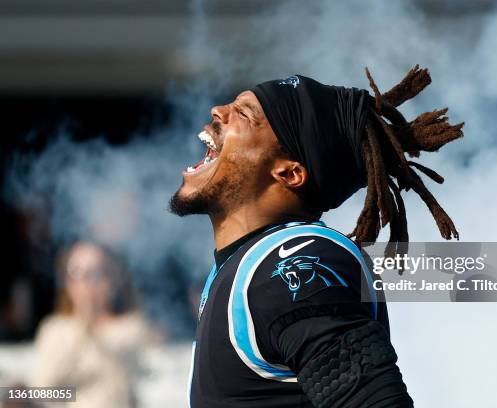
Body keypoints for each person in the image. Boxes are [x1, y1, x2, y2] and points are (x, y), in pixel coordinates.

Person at [169, 66, 463, 407]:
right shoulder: (244, 269)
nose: (218, 112)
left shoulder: (292, 264)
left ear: (289, 173)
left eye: (245, 114)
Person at [30, 241, 157, 408]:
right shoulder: (55, 330)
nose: (86, 283)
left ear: (112, 280)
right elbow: (40, 393)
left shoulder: (131, 329)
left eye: (95, 273)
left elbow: (141, 380)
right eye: (76, 273)